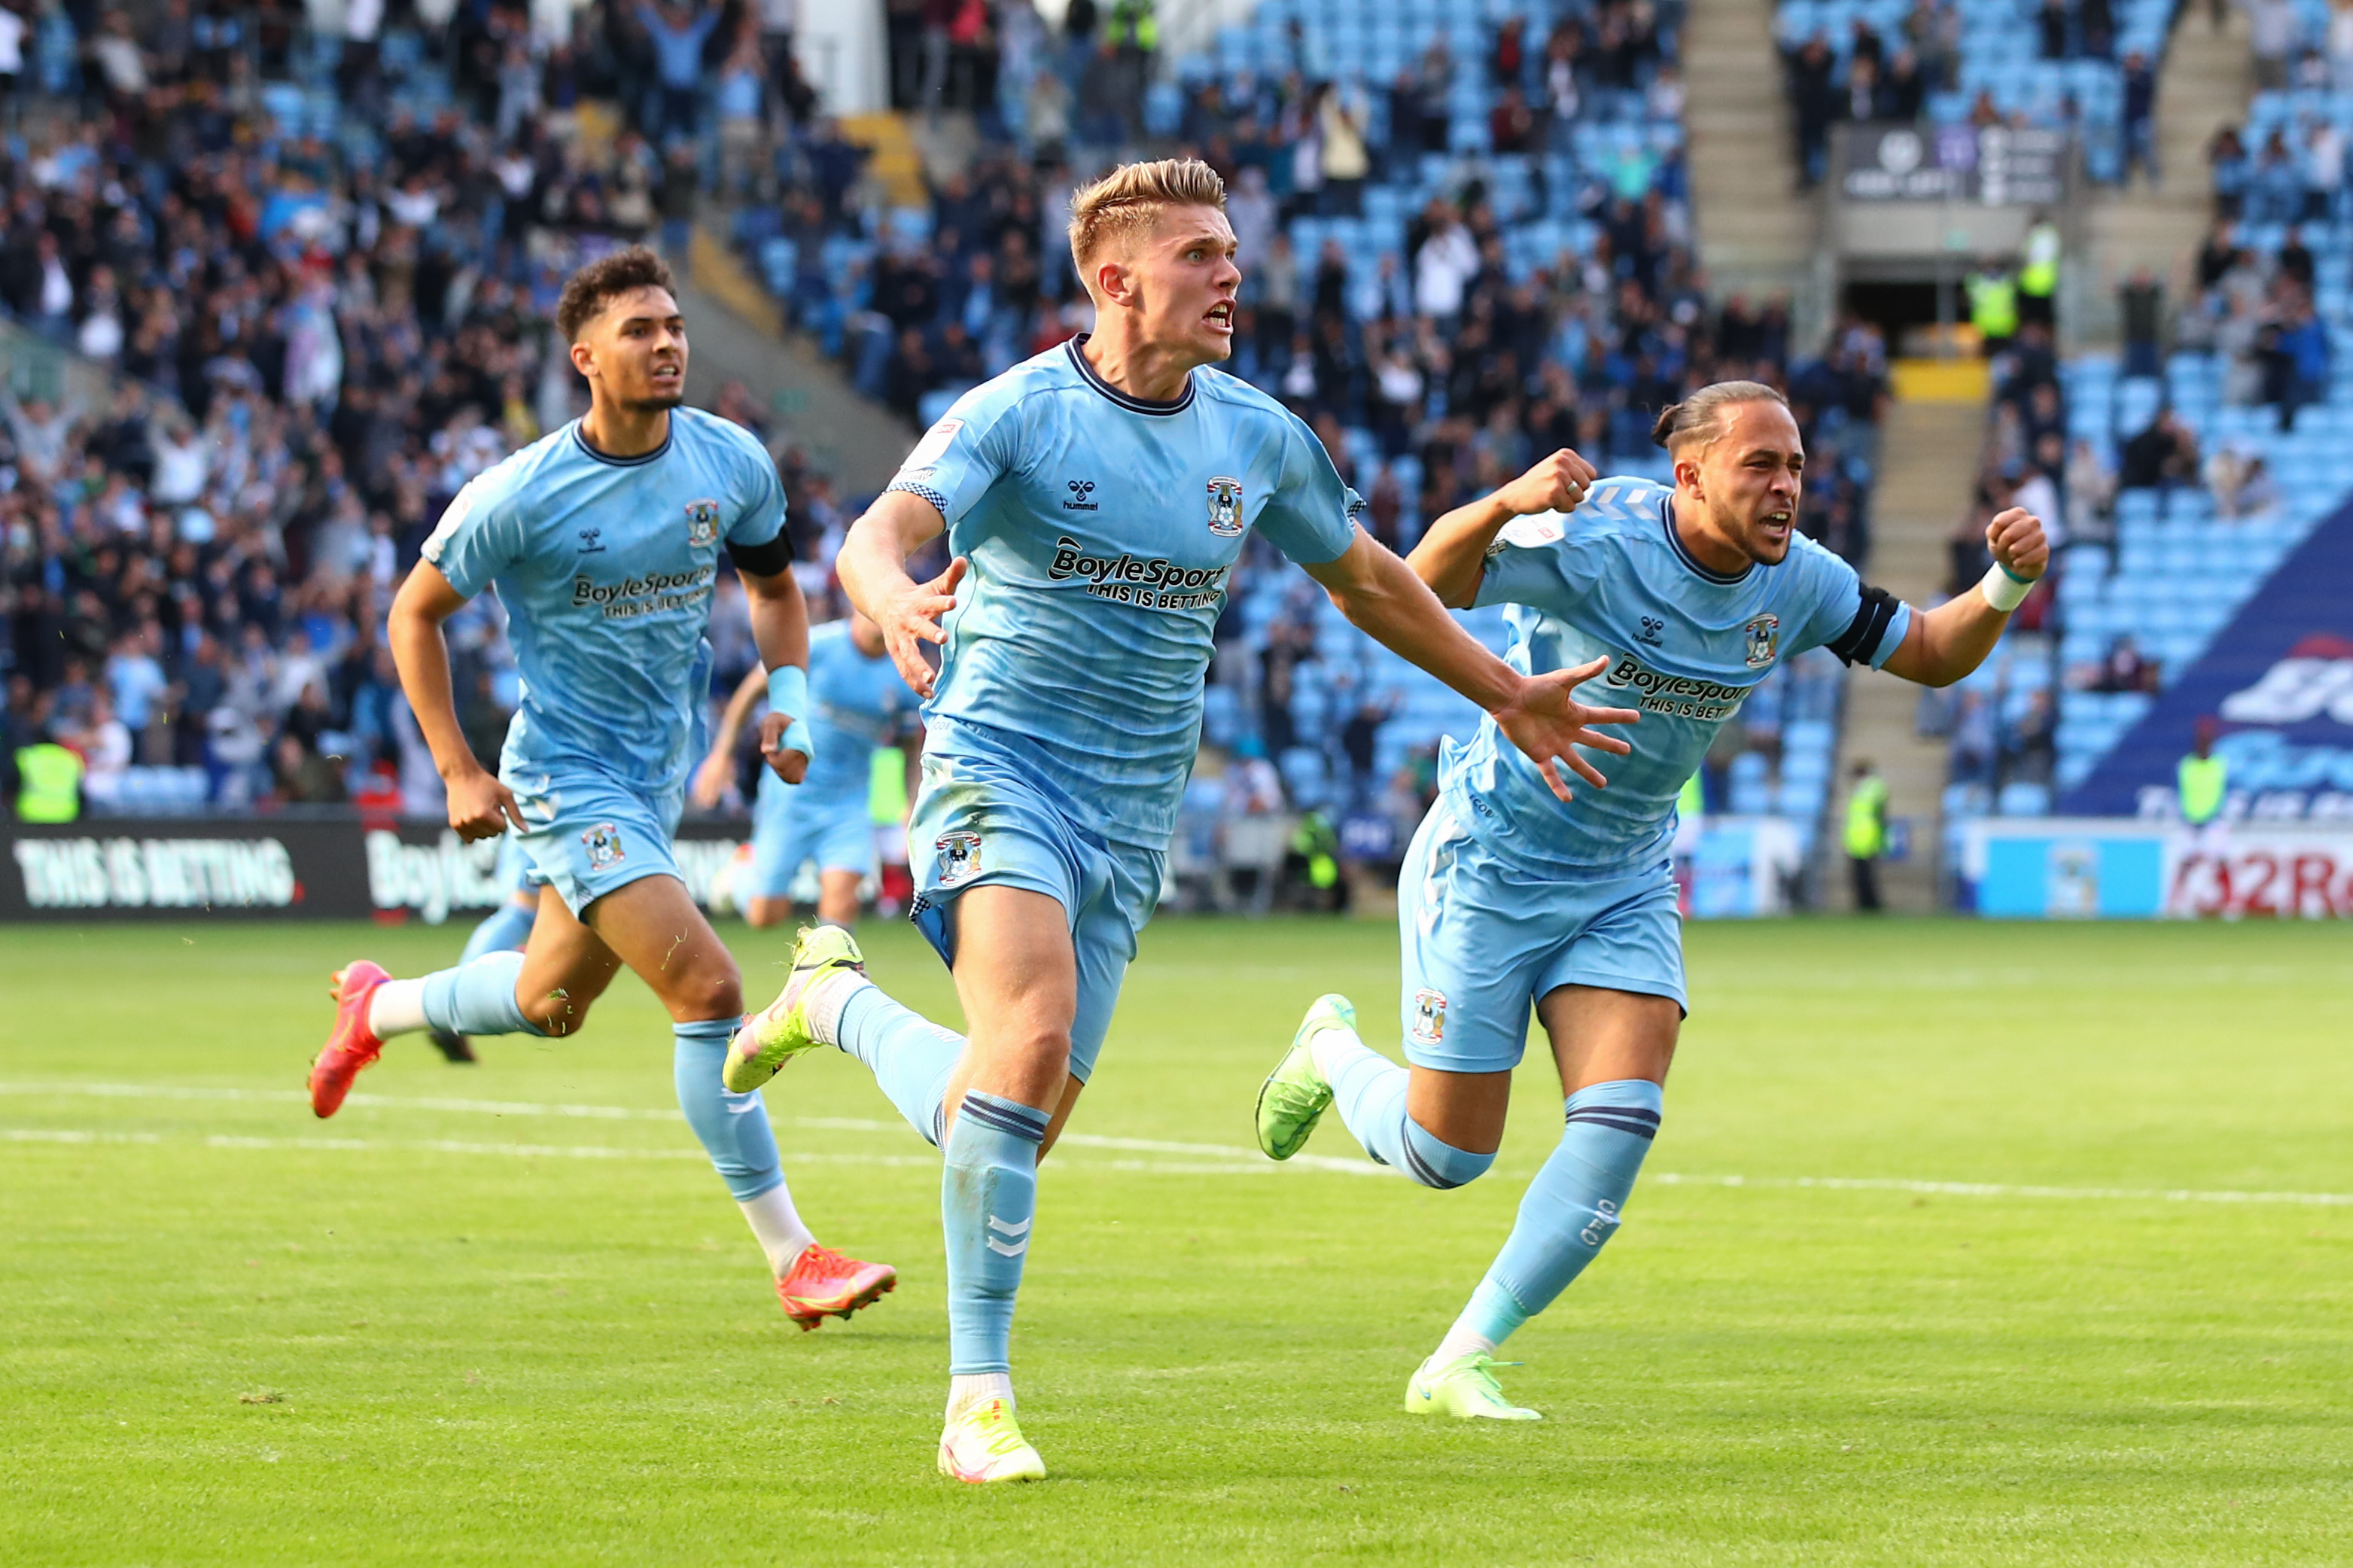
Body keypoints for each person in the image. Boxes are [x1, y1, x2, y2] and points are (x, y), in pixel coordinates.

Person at [719, 158, 1637, 1483]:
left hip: (1133, 811)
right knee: (1027, 1042)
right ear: (1114, 279)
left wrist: (1510, 692)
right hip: (999, 770)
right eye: (1201, 253)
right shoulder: (1021, 412)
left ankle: (836, 1005)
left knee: (1012, 1108)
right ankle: (977, 1404)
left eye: (1232, 253)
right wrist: (894, 592)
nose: (1231, 275)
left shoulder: (1256, 435)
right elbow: (879, 530)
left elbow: (1371, 581)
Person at [1250, 382, 2049, 1420]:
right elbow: (1426, 580)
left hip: (1621, 876)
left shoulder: (1798, 583)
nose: (1784, 487)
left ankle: (1459, 1358)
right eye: (1759, 464)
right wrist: (1503, 504)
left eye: (1796, 466)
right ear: (1690, 473)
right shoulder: (1594, 536)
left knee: (1623, 1112)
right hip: (1491, 860)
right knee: (1446, 1154)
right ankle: (1329, 1052)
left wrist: (2001, 581)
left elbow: (1932, 652)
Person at [303, 247, 896, 1334]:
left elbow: (774, 588)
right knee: (711, 992)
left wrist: (794, 701)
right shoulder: (521, 492)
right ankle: (793, 1253)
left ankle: (375, 1006)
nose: (667, 342)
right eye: (639, 330)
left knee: (547, 1005)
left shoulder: (729, 461)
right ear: (584, 357)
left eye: (673, 325)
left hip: (652, 777)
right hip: (568, 777)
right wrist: (456, 766)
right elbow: (412, 613)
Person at [693, 607, 917, 929]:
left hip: (849, 802)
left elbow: (911, 746)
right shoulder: (818, 645)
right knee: (765, 917)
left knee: (840, 913)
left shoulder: (904, 672)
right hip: (791, 794)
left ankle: (830, 979)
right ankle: (742, 870)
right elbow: (752, 690)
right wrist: (721, 755)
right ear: (858, 606)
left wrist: (911, 802)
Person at [1843, 757, 1889, 910]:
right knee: (1860, 876)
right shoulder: (1861, 788)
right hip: (1857, 838)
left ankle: (1870, 905)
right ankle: (1865, 904)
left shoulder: (1872, 787)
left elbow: (1880, 811)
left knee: (1865, 876)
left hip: (1868, 837)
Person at [2178, 717, 2228, 843]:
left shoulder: (2219, 764)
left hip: (2214, 821)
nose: (2204, 745)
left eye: (2207, 741)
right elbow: (2178, 791)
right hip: (2189, 822)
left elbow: (2225, 790)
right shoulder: (2187, 765)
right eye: (2202, 741)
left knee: (2218, 858)